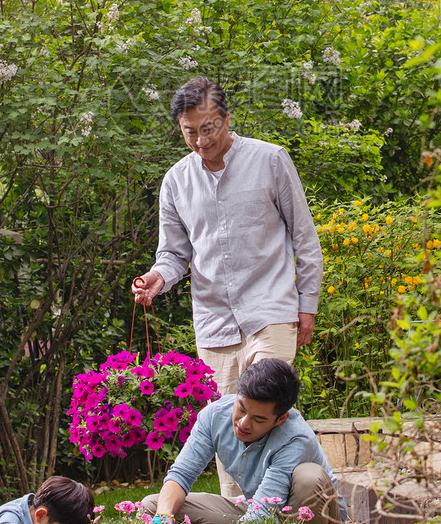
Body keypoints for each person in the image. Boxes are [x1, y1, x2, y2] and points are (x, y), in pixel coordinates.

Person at [132, 76, 323, 493]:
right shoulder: (176, 182)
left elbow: (303, 237)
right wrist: (155, 279)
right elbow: (174, 255)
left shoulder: (270, 160)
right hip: (214, 325)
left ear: (226, 118)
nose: (201, 141)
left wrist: (307, 304)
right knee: (228, 429)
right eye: (189, 132)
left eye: (208, 129)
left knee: (263, 410)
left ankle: (285, 508)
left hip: (270, 309)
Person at [140, 358, 347, 524]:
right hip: (258, 512)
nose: (244, 424)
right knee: (153, 506)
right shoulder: (215, 415)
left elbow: (264, 513)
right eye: (241, 408)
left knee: (310, 477)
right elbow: (180, 475)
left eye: (259, 419)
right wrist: (164, 516)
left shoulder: (296, 437)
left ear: (281, 419)